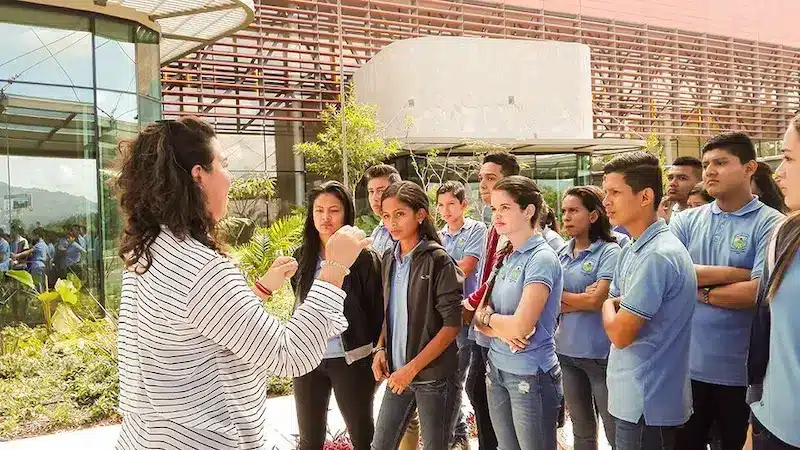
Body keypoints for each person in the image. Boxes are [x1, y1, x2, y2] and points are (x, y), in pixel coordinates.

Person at [112, 117, 371, 450]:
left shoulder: (145, 252)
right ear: (198, 175)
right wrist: (334, 268)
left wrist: (259, 291)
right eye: (223, 164)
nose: (230, 178)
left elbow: (200, 328)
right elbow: (288, 354)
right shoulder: (201, 268)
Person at [669, 132, 784, 450]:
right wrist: (740, 274)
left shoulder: (771, 225)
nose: (710, 171)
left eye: (721, 163)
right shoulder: (686, 221)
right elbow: (670, 278)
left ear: (750, 168)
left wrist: (697, 288)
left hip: (743, 376)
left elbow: (759, 293)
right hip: (687, 371)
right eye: (706, 164)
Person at [600, 151, 695, 450]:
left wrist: (604, 303)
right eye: (606, 192)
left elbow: (620, 332)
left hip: (647, 403)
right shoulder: (632, 247)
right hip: (631, 396)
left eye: (615, 192)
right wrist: (614, 304)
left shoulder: (658, 255)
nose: (606, 201)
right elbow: (617, 301)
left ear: (645, 197)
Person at [290, 181, 384, 450]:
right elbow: (300, 300)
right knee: (309, 440)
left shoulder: (364, 257)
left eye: (333, 210)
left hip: (350, 358)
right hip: (307, 358)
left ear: (346, 214)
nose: (325, 217)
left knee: (363, 436)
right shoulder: (302, 256)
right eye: (319, 210)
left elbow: (376, 309)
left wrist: (378, 351)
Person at [371, 181, 464, 450]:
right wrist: (380, 347)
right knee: (381, 444)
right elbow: (390, 311)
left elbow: (451, 325)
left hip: (432, 376)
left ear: (420, 215)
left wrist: (412, 368)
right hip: (398, 372)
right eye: (386, 216)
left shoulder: (438, 260)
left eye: (399, 214)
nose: (392, 222)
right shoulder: (389, 257)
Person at [473, 175, 564, 450]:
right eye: (494, 209)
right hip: (497, 368)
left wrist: (492, 320)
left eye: (505, 208)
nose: (496, 215)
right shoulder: (507, 255)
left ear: (528, 211)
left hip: (530, 374)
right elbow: (477, 316)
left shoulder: (542, 258)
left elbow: (522, 328)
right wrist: (498, 324)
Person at [747, 114, 800, 449]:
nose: (779, 173)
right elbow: (763, 336)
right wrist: (756, 421)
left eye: (789, 158)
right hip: (773, 427)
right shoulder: (786, 234)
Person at [556, 186, 621, 450]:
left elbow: (598, 301)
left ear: (593, 216)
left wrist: (563, 298)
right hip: (567, 353)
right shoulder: (561, 252)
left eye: (574, 210)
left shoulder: (609, 251)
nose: (566, 217)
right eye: (564, 211)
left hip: (600, 355)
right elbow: (549, 301)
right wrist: (579, 298)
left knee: (614, 429)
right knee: (581, 431)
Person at [463, 152, 520, 450]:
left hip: (502, 331)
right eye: (481, 177)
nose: (482, 183)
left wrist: (475, 308)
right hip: (482, 328)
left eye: (491, 178)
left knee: (485, 395)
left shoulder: (519, 233)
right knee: (478, 392)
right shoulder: (491, 228)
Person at [436, 180, 487, 449]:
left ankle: (461, 434)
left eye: (451, 204)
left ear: (464, 205)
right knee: (447, 375)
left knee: (461, 377)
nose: (445, 210)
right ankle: (458, 433)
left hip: (467, 314)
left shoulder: (477, 229)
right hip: (442, 315)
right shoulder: (438, 235)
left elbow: (466, 268)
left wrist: (436, 274)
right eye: (441, 205)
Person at [366, 164, 402, 256]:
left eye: (381, 191)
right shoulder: (378, 231)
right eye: (371, 191)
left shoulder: (405, 230)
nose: (374, 197)